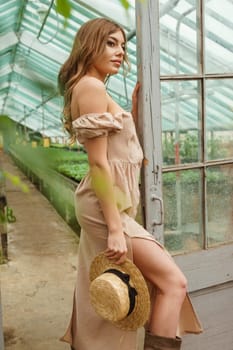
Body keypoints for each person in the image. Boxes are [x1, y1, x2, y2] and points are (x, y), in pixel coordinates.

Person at [58, 18, 202, 350]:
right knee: (172, 282)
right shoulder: (91, 87)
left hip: (107, 204)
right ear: (90, 44)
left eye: (123, 45)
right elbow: (98, 162)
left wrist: (133, 115)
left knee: (125, 285)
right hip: (103, 205)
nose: (120, 51)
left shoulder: (93, 86)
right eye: (110, 43)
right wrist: (114, 227)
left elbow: (119, 149)